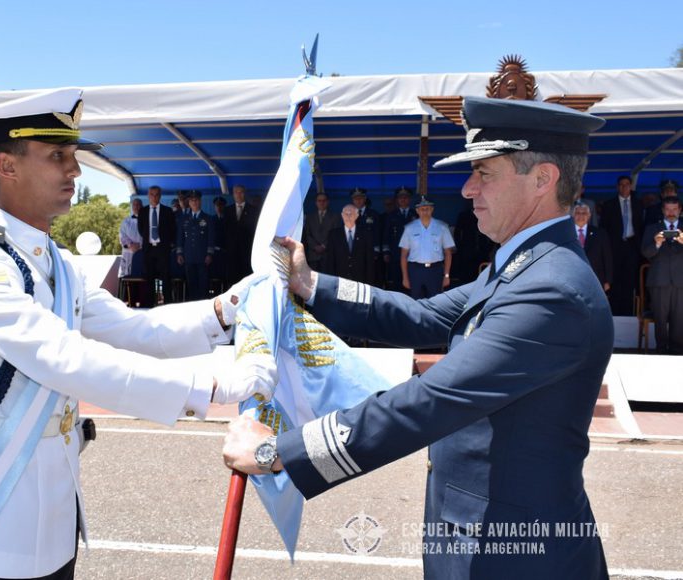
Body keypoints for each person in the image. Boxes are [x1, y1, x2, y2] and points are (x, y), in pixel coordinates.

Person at [224, 96, 612, 579]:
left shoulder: (551, 288)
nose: (468, 189)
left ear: (543, 179)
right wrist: (311, 284)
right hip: (481, 538)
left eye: (485, 173)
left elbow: (432, 399)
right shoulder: (523, 268)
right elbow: (422, 315)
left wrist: (278, 451)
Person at [0, 88, 277, 580]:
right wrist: (211, 385)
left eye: (73, 156)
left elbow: (134, 328)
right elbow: (65, 358)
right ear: (7, 166)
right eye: (58, 156)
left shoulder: (54, 262)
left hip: (55, 514)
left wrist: (225, 309)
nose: (75, 171)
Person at [641, 195, 683, 354]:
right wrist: (657, 243)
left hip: (681, 281)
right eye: (668, 209)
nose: (671, 213)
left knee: (680, 320)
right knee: (660, 319)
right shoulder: (652, 228)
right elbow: (645, 252)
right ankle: (661, 352)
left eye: (674, 209)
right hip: (659, 281)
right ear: (663, 210)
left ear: (679, 210)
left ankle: (678, 353)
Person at [601, 175, 643, 315]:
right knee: (614, 281)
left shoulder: (638, 204)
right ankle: (614, 313)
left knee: (629, 281)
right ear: (617, 187)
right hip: (614, 248)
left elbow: (641, 227)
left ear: (631, 186)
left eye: (627, 184)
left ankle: (628, 313)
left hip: (632, 246)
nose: (624, 187)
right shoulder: (608, 205)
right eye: (621, 184)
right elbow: (603, 229)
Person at [400, 197, 455, 298]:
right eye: (422, 209)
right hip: (415, 270)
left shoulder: (442, 227)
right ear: (417, 211)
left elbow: (448, 252)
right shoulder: (409, 228)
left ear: (432, 209)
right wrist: (405, 277)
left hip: (435, 269)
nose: (425, 211)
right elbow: (404, 254)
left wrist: (446, 275)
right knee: (416, 301)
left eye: (427, 209)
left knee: (436, 301)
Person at [137, 185, 176, 306]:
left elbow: (172, 230)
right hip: (148, 249)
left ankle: (168, 305)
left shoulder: (168, 211)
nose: (154, 197)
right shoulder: (142, 211)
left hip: (162, 249)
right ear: (148, 196)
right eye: (152, 194)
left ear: (160, 196)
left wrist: (167, 244)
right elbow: (141, 229)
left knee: (166, 278)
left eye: (156, 194)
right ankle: (149, 306)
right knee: (149, 279)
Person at [176, 190, 214, 301]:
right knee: (191, 285)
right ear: (189, 202)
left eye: (196, 200)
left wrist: (209, 254)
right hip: (188, 257)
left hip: (203, 257)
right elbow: (180, 237)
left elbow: (211, 238)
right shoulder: (183, 219)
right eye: (192, 200)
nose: (194, 202)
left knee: (203, 285)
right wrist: (179, 253)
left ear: (200, 201)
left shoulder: (208, 218)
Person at [324, 204, 374, 284]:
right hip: (340, 279)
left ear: (357, 215)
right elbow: (330, 259)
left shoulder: (366, 234)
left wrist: (369, 282)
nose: (348, 217)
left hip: (360, 279)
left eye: (351, 214)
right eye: (346, 214)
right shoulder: (333, 234)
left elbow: (369, 260)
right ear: (342, 215)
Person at [382, 187, 417, 289]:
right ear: (397, 200)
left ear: (409, 199)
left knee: (412, 281)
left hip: (413, 254)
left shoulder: (415, 214)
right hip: (395, 253)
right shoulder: (391, 215)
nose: (403, 200)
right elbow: (386, 235)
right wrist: (386, 252)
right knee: (397, 281)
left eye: (406, 197)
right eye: (401, 197)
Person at [573, 203, 613, 293]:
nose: (581, 216)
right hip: (572, 279)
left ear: (589, 216)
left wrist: (607, 281)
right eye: (578, 213)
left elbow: (607, 257)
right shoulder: (567, 234)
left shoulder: (600, 233)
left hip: (596, 280)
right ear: (573, 215)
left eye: (584, 213)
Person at [224, 184, 257, 286]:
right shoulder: (227, 210)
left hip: (246, 252)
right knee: (232, 280)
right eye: (236, 192)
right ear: (233, 194)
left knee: (246, 281)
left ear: (244, 194)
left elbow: (254, 231)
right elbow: (224, 231)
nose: (238, 194)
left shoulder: (253, 210)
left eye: (241, 192)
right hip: (231, 252)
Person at [303, 192, 339, 273]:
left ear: (328, 202)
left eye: (324, 200)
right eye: (319, 200)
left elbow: (335, 234)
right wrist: (315, 246)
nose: (322, 202)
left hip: (328, 254)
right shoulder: (309, 217)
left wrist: (324, 246)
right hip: (313, 254)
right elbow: (307, 234)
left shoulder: (335, 216)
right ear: (316, 202)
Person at [118, 198, 143, 278]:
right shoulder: (126, 221)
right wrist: (130, 244)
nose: (136, 207)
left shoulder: (147, 221)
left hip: (142, 253)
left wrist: (140, 245)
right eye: (134, 205)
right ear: (132, 206)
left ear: (142, 206)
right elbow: (122, 235)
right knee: (128, 279)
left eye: (138, 205)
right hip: (128, 254)